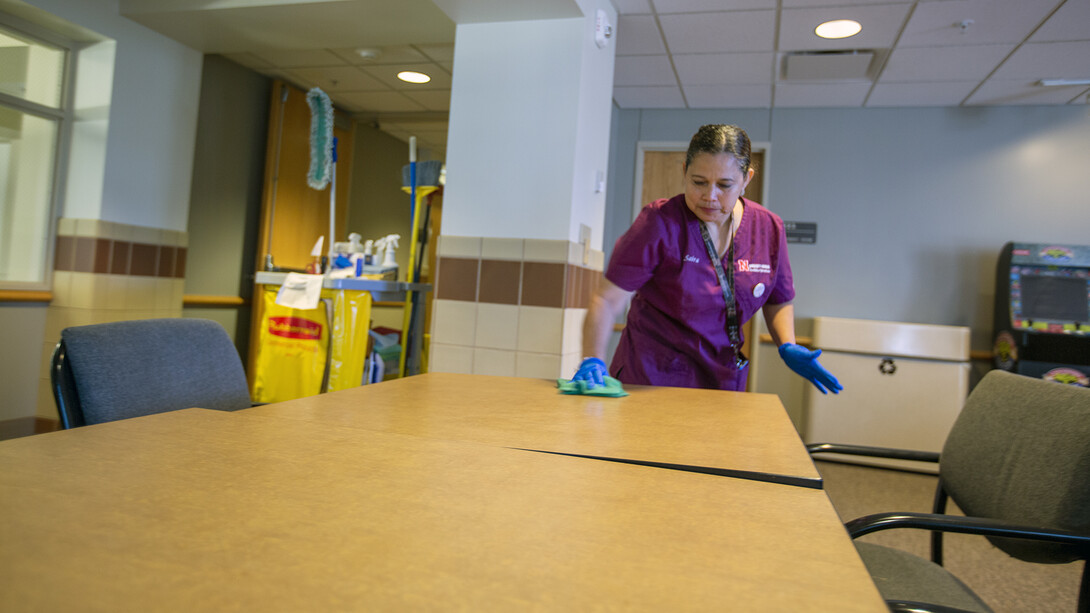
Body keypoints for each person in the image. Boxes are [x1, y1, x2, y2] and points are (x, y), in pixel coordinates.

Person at [571, 124, 841, 394]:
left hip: (721, 378)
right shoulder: (660, 223)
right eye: (698, 182)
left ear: (746, 179)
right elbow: (606, 299)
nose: (709, 196)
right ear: (684, 172)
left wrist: (787, 344)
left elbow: (778, 298)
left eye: (724, 185)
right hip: (652, 375)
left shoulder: (769, 228)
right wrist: (592, 358)